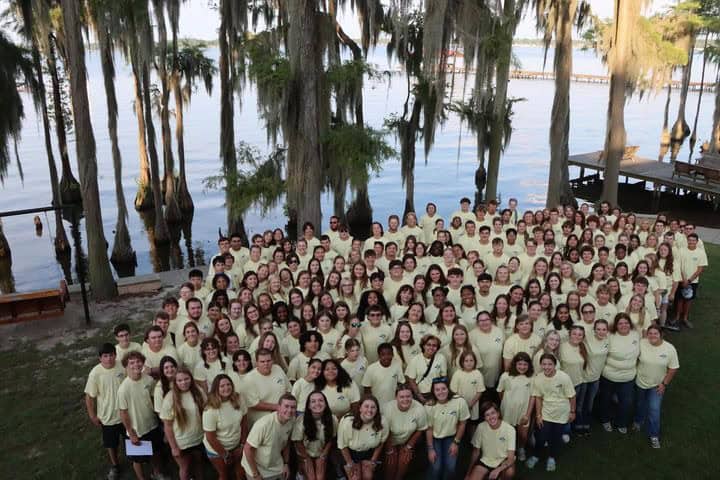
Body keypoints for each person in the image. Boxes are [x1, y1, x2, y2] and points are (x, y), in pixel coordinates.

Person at [117, 351, 165, 480]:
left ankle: (156, 473)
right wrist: (131, 432)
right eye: (131, 363)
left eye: (138, 361)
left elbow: (153, 398)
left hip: (152, 424)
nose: (136, 365)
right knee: (137, 459)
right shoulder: (123, 389)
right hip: (137, 429)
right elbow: (123, 412)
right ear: (126, 366)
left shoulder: (148, 380)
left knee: (156, 452)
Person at [525, 354, 576, 472]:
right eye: (544, 364)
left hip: (562, 413)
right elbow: (538, 397)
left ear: (555, 365)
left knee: (556, 437)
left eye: (550, 364)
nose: (546, 367)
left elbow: (572, 396)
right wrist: (538, 415)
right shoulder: (538, 378)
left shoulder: (563, 377)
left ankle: (552, 458)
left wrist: (572, 412)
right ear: (540, 365)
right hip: (546, 413)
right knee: (541, 437)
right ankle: (536, 456)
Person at [84, 343, 126, 480]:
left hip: (126, 414)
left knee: (130, 439)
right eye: (105, 356)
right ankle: (115, 465)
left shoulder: (122, 366)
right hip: (108, 418)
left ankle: (135, 460)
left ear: (115, 355)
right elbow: (90, 397)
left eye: (111, 355)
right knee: (111, 444)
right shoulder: (95, 373)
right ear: (100, 358)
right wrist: (92, 415)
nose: (109, 359)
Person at [633, 325, 679, 448]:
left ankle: (654, 435)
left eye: (655, 333)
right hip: (640, 382)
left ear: (661, 335)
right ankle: (638, 421)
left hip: (657, 386)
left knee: (654, 410)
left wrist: (664, 384)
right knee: (640, 403)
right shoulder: (642, 343)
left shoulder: (669, 349)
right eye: (650, 333)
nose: (652, 336)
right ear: (647, 334)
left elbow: (673, 368)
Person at [160, 367, 205, 480]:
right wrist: (173, 447)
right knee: (185, 469)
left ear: (191, 379)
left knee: (198, 465)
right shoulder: (170, 398)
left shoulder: (198, 392)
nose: (184, 382)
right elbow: (168, 425)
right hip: (181, 442)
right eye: (180, 380)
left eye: (186, 379)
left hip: (198, 438)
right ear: (175, 382)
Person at [599, 313, 640, 434]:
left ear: (630, 324)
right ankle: (605, 420)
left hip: (628, 377)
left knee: (626, 402)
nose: (624, 325)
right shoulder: (610, 336)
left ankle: (621, 423)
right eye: (620, 323)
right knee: (605, 400)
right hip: (609, 376)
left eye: (626, 323)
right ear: (616, 325)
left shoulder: (635, 335)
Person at [242, 393, 297, 480]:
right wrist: (256, 474)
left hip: (276, 466)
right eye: (286, 406)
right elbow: (247, 449)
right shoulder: (264, 424)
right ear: (278, 407)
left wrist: (286, 463)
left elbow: (287, 443)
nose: (290, 410)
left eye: (293, 407)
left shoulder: (292, 421)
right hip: (256, 467)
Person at [203, 374, 248, 480]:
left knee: (241, 472)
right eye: (222, 386)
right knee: (224, 474)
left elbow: (244, 422)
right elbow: (210, 437)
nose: (226, 388)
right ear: (216, 389)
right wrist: (225, 454)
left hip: (237, 444)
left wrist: (242, 445)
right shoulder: (210, 409)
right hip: (217, 450)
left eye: (228, 384)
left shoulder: (238, 399)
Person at [425, 377, 470, 480]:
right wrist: (430, 449)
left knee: (450, 467)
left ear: (448, 389)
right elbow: (429, 429)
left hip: (451, 437)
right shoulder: (429, 406)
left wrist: (456, 442)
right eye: (437, 389)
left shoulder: (459, 401)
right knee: (436, 467)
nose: (441, 392)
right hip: (435, 438)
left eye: (443, 388)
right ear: (433, 391)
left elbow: (463, 423)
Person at [381, 384, 428, 480]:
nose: (405, 399)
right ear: (396, 398)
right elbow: (385, 431)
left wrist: (409, 446)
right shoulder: (387, 409)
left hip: (407, 440)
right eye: (401, 397)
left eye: (408, 396)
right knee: (391, 463)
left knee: (404, 460)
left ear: (412, 396)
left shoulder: (419, 409)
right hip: (390, 440)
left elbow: (421, 429)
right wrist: (390, 449)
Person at [337, 395, 389, 480]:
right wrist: (350, 463)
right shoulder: (348, 422)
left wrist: (373, 460)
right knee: (355, 478)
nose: (369, 410)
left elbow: (381, 442)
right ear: (360, 408)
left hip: (369, 452)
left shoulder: (382, 422)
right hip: (350, 454)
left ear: (377, 410)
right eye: (366, 406)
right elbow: (342, 446)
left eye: (373, 407)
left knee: (368, 477)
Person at [292, 391, 338, 480]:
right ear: (308, 406)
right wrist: (307, 459)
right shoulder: (301, 420)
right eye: (313, 401)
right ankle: (300, 471)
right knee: (312, 478)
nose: (317, 403)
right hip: (304, 454)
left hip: (321, 452)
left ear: (325, 403)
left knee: (320, 478)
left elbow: (331, 439)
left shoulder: (333, 419)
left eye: (321, 400)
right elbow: (298, 442)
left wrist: (323, 455)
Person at [496, 353, 533, 462]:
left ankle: (521, 449)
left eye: (525, 364)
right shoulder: (506, 376)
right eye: (519, 364)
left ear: (529, 366)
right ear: (514, 364)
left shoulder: (531, 378)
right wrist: (506, 404)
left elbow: (532, 397)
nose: (522, 367)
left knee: (523, 435)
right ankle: (506, 452)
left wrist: (528, 414)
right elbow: (500, 392)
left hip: (523, 411)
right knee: (507, 433)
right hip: (508, 411)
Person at [465, 402, 517, 480]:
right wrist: (468, 473)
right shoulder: (481, 427)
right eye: (487, 415)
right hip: (486, 461)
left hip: (503, 461)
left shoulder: (510, 429)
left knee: (510, 472)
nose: (491, 417)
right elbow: (476, 452)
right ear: (484, 418)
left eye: (493, 413)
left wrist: (498, 470)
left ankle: (500, 477)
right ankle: (488, 475)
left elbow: (510, 458)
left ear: (498, 413)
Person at [245, 349, 291, 426]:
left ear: (272, 360)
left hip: (282, 416)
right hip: (261, 423)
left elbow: (288, 390)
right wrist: (277, 407)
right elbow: (254, 404)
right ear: (257, 363)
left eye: (268, 361)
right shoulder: (249, 378)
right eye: (262, 362)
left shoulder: (278, 368)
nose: (266, 364)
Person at [405, 335, 447, 403]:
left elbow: (444, 377)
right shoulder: (415, 360)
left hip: (436, 394)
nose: (431, 347)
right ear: (423, 346)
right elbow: (411, 381)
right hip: (420, 394)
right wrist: (421, 398)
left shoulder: (441, 358)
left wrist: (440, 395)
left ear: (437, 347)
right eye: (428, 345)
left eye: (434, 345)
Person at [450, 351, 486, 427]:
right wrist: (463, 404)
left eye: (471, 360)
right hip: (460, 405)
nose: (469, 363)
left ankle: (473, 438)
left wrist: (471, 404)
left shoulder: (477, 374)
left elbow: (480, 391)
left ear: (475, 361)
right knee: (461, 423)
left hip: (473, 405)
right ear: (462, 362)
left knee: (472, 424)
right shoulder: (457, 374)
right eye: (466, 361)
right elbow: (454, 391)